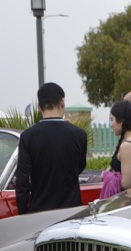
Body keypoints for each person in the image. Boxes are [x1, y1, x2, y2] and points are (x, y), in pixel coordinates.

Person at [14, 82, 88, 214]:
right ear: (62, 103)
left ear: (39, 107)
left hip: (40, 211)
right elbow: (79, 167)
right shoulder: (79, 135)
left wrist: (23, 212)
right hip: (71, 210)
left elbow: (22, 182)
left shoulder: (27, 137)